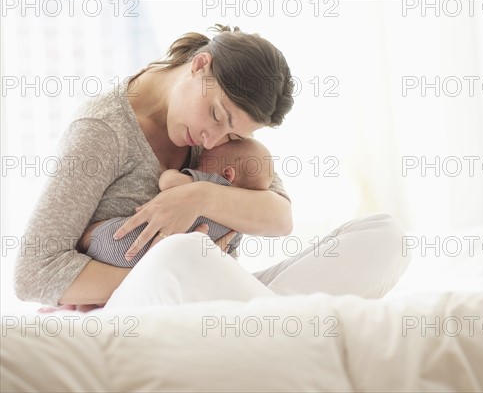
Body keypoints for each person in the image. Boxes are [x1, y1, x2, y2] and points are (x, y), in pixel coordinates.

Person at [15, 24, 410, 309]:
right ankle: (282, 330)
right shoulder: (104, 130)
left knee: (386, 237)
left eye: (233, 134)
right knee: (184, 255)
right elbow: (33, 272)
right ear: (200, 65)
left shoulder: (221, 134)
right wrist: (177, 276)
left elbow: (279, 217)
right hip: (145, 303)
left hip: (221, 300)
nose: (213, 141)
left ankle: (267, 328)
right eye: (217, 116)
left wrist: (199, 195)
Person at [78, 138, 274, 267]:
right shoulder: (239, 226)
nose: (195, 166)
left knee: (89, 235)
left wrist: (176, 173)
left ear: (227, 174)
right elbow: (226, 260)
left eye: (201, 163)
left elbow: (168, 182)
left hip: (123, 242)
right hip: (153, 264)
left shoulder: (213, 183)